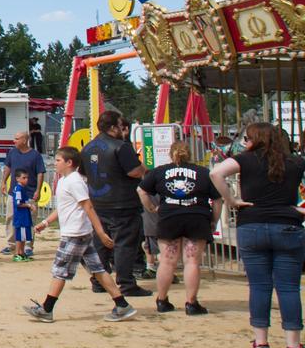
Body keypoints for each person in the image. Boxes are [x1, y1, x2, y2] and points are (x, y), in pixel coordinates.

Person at [211, 122, 305, 348]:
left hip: (251, 224)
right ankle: (293, 345)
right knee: (288, 287)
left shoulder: (245, 159)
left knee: (259, 286)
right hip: (287, 224)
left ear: (253, 139)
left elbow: (215, 173)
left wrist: (231, 200)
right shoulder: (295, 162)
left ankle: (261, 342)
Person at [23, 147, 137, 323]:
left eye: (59, 160)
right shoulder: (63, 181)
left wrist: (100, 231)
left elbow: (88, 206)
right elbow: (62, 208)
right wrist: (46, 223)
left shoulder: (75, 181)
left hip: (75, 234)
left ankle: (46, 309)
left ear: (69, 163)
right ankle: (122, 305)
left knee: (60, 271)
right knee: (97, 269)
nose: (55, 163)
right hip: (77, 233)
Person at [138, 140, 220, 315]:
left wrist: (152, 209)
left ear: (170, 153)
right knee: (192, 261)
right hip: (196, 217)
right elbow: (218, 199)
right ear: (190, 154)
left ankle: (162, 300)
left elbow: (141, 190)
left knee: (167, 261)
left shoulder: (160, 171)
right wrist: (214, 219)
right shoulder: (203, 172)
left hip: (169, 217)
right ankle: (191, 303)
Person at [83, 110, 150, 297]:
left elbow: (83, 172)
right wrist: (144, 169)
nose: (123, 130)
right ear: (113, 127)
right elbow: (135, 172)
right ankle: (127, 284)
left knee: (100, 244)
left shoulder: (88, 147)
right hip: (122, 203)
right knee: (124, 245)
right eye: (121, 126)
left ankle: (98, 281)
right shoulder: (121, 146)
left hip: (98, 202)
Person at [0, 129, 45, 256]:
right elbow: (8, 167)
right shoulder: (12, 153)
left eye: (17, 138)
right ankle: (11, 244)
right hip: (13, 192)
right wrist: (3, 181)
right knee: (10, 217)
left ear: (25, 140)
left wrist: (38, 190)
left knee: (29, 220)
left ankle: (28, 246)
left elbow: (40, 173)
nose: (14, 141)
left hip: (29, 193)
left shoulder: (35, 155)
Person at [10, 168, 36, 261]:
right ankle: (17, 253)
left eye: (27, 178)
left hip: (25, 217)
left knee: (24, 236)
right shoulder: (18, 189)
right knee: (20, 237)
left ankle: (22, 253)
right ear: (17, 178)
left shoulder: (22, 189)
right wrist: (29, 205)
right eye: (24, 178)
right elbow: (18, 203)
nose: (26, 180)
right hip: (21, 217)